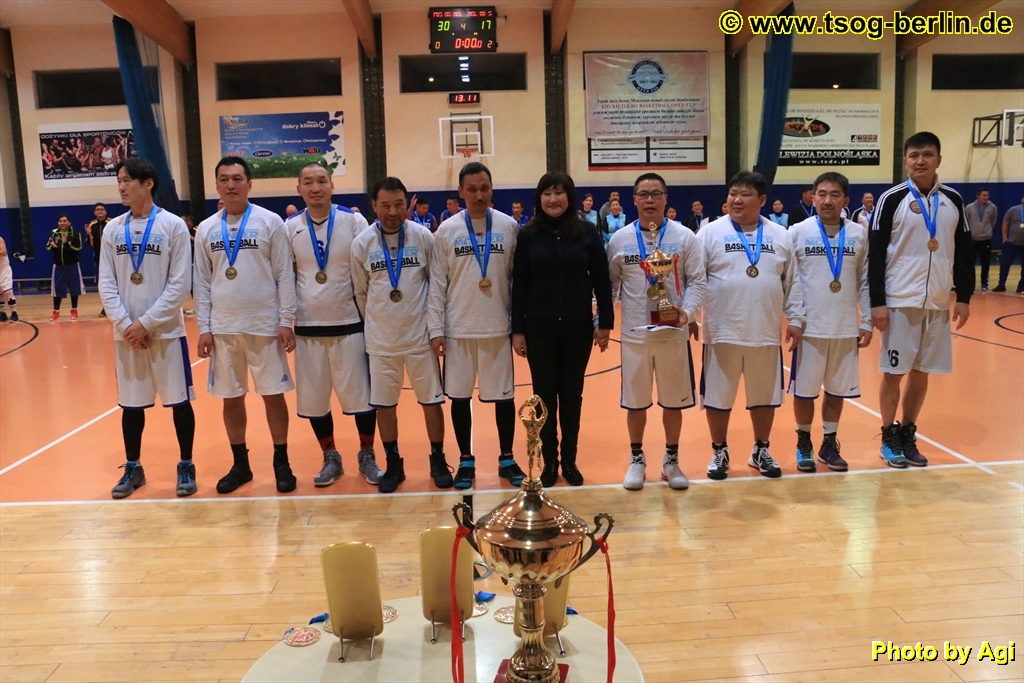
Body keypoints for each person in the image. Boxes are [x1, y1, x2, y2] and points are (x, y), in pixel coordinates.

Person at [193, 156, 298, 494]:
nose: (231, 184)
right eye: (224, 179)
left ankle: (281, 462)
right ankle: (241, 465)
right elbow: (201, 281)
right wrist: (204, 326)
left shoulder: (270, 222)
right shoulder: (206, 228)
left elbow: (284, 273)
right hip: (223, 328)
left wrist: (286, 319)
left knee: (273, 396)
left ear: (249, 184)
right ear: (217, 185)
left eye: (237, 178)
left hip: (265, 325)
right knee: (231, 398)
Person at [869, 131, 973, 468]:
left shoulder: (953, 200)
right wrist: (877, 301)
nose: (920, 161)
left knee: (922, 372)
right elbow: (875, 253)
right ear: (905, 161)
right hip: (900, 301)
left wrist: (964, 296)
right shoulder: (891, 199)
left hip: (938, 301)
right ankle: (888, 436)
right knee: (894, 372)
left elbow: (964, 251)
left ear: (938, 160)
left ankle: (907, 432)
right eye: (914, 155)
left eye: (927, 154)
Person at [99, 157, 197, 499]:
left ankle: (186, 465)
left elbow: (180, 284)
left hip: (166, 332)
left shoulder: (172, 226)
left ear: (148, 184)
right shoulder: (112, 229)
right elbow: (106, 283)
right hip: (126, 336)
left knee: (179, 403)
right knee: (131, 405)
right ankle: (133, 467)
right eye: (119, 181)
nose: (122, 187)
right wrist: (127, 324)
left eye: (127, 180)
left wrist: (146, 323)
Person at [700, 170, 804, 480]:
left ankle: (761, 449)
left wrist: (796, 318)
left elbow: (793, 281)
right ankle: (719, 450)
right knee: (717, 397)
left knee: (764, 396)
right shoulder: (709, 233)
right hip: (722, 331)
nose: (737, 199)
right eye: (733, 193)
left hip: (765, 330)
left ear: (762, 200)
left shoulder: (780, 235)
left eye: (745, 194)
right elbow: (694, 279)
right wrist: (689, 316)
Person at [511, 172, 614, 487]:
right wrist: (517, 330)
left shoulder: (587, 232)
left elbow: (602, 279)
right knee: (543, 397)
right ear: (539, 198)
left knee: (571, 396)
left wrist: (605, 323)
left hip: (577, 329)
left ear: (569, 196)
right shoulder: (528, 235)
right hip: (538, 330)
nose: (553, 199)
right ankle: (549, 462)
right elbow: (520, 284)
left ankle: (569, 459)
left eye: (559, 193)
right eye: (547, 193)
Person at [428, 162, 526, 490]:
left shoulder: (509, 226)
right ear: (460, 192)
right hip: (459, 329)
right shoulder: (447, 231)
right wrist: (436, 330)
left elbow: (517, 282)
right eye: (471, 189)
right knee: (459, 398)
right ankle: (466, 460)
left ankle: (507, 458)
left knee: (504, 398)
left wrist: (518, 328)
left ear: (492, 188)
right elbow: (437, 284)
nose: (479, 195)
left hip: (497, 327)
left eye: (484, 188)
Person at [352, 176, 451, 493]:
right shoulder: (362, 243)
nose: (393, 211)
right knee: (385, 406)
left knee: (431, 403)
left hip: (419, 338)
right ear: (374, 205)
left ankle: (437, 459)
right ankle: (393, 462)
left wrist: (434, 329)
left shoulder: (423, 237)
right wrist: (379, 321)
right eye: (386, 205)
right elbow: (361, 293)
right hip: (382, 341)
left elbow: (435, 286)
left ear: (406, 204)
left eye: (398, 204)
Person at [287, 162, 382, 488]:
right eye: (308, 182)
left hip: (350, 325)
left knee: (362, 399)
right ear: (299, 189)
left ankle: (367, 454)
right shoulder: (290, 227)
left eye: (321, 181)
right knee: (314, 401)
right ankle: (330, 457)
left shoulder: (354, 221)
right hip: (308, 328)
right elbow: (285, 277)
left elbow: (368, 272)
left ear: (332, 185)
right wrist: (285, 321)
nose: (315, 188)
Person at [608, 173, 706, 491]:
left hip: (673, 335)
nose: (649, 200)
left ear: (666, 198)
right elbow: (610, 285)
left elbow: (697, 280)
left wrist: (687, 313)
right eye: (643, 194)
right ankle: (637, 459)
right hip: (635, 336)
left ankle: (671, 460)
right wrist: (602, 322)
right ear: (633, 200)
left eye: (656, 194)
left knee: (673, 403)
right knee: (635, 403)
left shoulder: (685, 237)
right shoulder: (619, 239)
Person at [788, 172, 872, 473]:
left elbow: (864, 280)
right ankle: (803, 442)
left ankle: (828, 443)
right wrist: (794, 318)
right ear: (812, 197)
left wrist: (867, 321)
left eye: (835, 195)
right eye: (821, 194)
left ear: (845, 200)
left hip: (845, 327)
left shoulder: (859, 234)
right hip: (809, 328)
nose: (827, 200)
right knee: (804, 391)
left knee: (837, 390)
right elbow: (790, 280)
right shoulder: (797, 232)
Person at [46, 214, 85, 321]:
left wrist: (66, 243)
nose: (62, 223)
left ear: (69, 222)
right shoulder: (54, 233)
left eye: (64, 221)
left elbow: (78, 247)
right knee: (57, 289)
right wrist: (53, 247)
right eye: (60, 221)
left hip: (72, 265)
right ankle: (56, 311)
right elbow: (48, 246)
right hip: (58, 266)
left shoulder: (75, 234)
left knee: (74, 288)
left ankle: (74, 310)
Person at [965, 188, 997, 291]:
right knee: (970, 263)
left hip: (986, 239)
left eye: (987, 195)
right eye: (984, 195)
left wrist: (986, 230)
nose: (986, 197)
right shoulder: (969, 207)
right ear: (978, 196)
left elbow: (993, 221)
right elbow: (966, 222)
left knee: (985, 263)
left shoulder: (992, 207)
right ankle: (970, 283)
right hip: (972, 239)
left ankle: (984, 283)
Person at [993, 195, 1024, 293]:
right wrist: (1004, 238)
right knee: (1005, 264)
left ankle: (1021, 286)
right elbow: (1005, 224)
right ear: (1022, 199)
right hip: (1011, 243)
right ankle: (1001, 284)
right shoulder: (1013, 210)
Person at [85, 202, 111, 317]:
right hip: (99, 258)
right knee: (103, 284)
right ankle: (105, 308)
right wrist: (89, 234)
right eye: (97, 209)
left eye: (102, 209)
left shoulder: (112, 223)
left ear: (105, 211)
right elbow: (91, 244)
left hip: (112, 258)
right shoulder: (92, 224)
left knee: (115, 284)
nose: (100, 211)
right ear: (95, 212)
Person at [0, 236, 17, 323]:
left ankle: (14, 313)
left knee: (7, 292)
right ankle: (2, 313)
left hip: (4, 269)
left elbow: (4, 252)